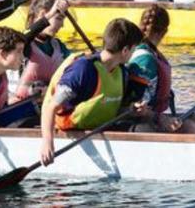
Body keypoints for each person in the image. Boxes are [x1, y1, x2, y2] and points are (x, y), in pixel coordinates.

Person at [39, 18, 144, 166]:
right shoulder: (83, 71)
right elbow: (51, 107)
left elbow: (109, 105)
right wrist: (47, 143)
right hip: (71, 131)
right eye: (134, 49)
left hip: (97, 127)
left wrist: (132, 110)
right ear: (125, 50)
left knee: (145, 127)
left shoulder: (121, 72)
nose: (134, 54)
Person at [127, 5, 195, 134]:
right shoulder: (144, 59)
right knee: (190, 127)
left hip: (154, 114)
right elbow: (138, 106)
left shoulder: (153, 53)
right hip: (139, 119)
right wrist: (162, 119)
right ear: (164, 32)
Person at [13, 0, 71, 102]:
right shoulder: (23, 44)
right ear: (43, 14)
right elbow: (27, 35)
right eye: (59, 18)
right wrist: (49, 15)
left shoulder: (58, 46)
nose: (62, 25)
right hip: (23, 107)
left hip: (48, 105)